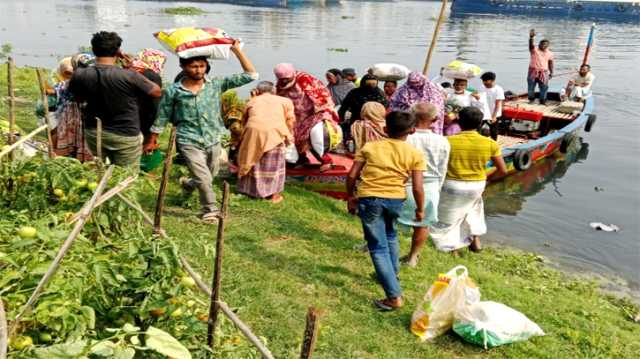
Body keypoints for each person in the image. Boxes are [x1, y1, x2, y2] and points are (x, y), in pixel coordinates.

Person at [146, 41, 258, 223]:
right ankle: (210, 210)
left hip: (213, 138)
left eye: (202, 66)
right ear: (183, 66)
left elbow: (251, 75)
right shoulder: (175, 90)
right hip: (187, 139)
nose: (198, 70)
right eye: (193, 66)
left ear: (207, 67)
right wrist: (153, 138)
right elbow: (163, 114)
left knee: (209, 174)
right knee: (204, 177)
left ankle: (189, 183)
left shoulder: (216, 84)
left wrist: (237, 51)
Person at [346, 111, 426, 311]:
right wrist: (421, 210)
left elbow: (352, 175)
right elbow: (417, 187)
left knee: (377, 247)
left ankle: (393, 297)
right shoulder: (415, 153)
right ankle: (393, 273)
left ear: (384, 129)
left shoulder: (370, 147)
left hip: (370, 198)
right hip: (396, 199)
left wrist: (350, 196)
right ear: (412, 130)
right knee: (390, 235)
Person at [68, 31, 161, 168]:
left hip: (93, 131)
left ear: (94, 50)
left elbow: (77, 98)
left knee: (99, 171)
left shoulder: (80, 74)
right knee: (124, 176)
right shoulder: (129, 75)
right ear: (118, 51)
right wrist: (132, 70)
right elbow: (156, 92)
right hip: (125, 133)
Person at [430, 107, 507, 254]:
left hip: (452, 184)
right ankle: (475, 242)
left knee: (449, 217)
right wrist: (487, 179)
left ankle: (453, 249)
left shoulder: (447, 141)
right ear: (480, 123)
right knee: (473, 211)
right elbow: (502, 170)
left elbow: (437, 166)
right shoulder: (490, 143)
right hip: (477, 185)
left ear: (459, 121)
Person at [398, 102, 450, 268]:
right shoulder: (442, 141)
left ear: (411, 117)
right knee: (423, 224)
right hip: (429, 185)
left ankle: (376, 247)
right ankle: (413, 257)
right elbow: (443, 168)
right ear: (434, 119)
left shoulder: (405, 138)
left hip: (404, 183)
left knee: (389, 219)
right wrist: (438, 188)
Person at [274, 63, 340, 172]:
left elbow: (322, 95)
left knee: (312, 138)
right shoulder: (280, 84)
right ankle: (301, 160)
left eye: (286, 78)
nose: (284, 81)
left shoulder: (304, 79)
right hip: (296, 116)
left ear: (292, 74)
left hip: (313, 113)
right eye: (282, 79)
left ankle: (326, 161)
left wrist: (325, 112)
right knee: (294, 138)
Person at [236, 81, 295, 203]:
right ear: (274, 91)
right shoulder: (285, 101)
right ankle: (273, 196)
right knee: (274, 165)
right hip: (276, 132)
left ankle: (249, 191)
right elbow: (290, 121)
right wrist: (289, 136)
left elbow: (244, 120)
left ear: (257, 91)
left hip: (253, 131)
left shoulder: (251, 101)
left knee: (252, 160)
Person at [52, 56, 93, 162]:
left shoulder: (67, 84)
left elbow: (52, 91)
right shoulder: (92, 82)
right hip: (80, 120)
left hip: (72, 120)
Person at [128, 49, 167, 141]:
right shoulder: (153, 76)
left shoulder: (130, 71)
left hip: (127, 118)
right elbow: (155, 104)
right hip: (144, 120)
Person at [338, 74, 388, 142]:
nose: (371, 86)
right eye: (368, 83)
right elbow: (343, 109)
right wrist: (340, 121)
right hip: (357, 122)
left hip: (377, 124)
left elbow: (385, 109)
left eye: (373, 83)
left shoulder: (380, 94)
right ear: (363, 83)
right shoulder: (354, 93)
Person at [528, 29, 554, 105]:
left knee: (544, 87)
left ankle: (542, 101)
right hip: (533, 71)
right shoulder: (534, 50)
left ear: (548, 46)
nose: (543, 46)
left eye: (545, 44)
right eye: (542, 44)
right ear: (539, 44)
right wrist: (531, 38)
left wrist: (551, 72)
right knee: (531, 87)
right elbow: (531, 45)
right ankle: (531, 100)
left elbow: (551, 63)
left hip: (544, 72)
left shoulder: (550, 53)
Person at [480, 72, 505, 140]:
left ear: (492, 80)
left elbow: (498, 104)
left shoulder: (498, 89)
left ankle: (494, 143)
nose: (484, 82)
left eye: (486, 81)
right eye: (483, 81)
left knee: (493, 130)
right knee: (478, 128)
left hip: (494, 113)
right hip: (484, 112)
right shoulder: (482, 87)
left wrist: (494, 116)